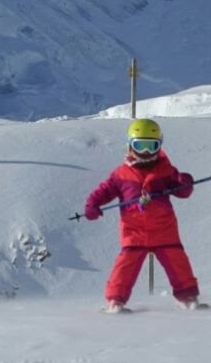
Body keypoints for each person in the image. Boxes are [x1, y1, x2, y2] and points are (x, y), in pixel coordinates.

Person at [84, 118, 201, 312]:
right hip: (134, 231)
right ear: (130, 145)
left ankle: (188, 297)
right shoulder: (121, 174)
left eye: (151, 146)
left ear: (159, 146)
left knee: (177, 261)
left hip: (164, 229)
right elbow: (104, 191)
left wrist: (184, 181)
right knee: (125, 265)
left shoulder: (166, 171)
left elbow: (183, 192)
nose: (146, 152)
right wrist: (92, 205)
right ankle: (115, 300)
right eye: (141, 145)